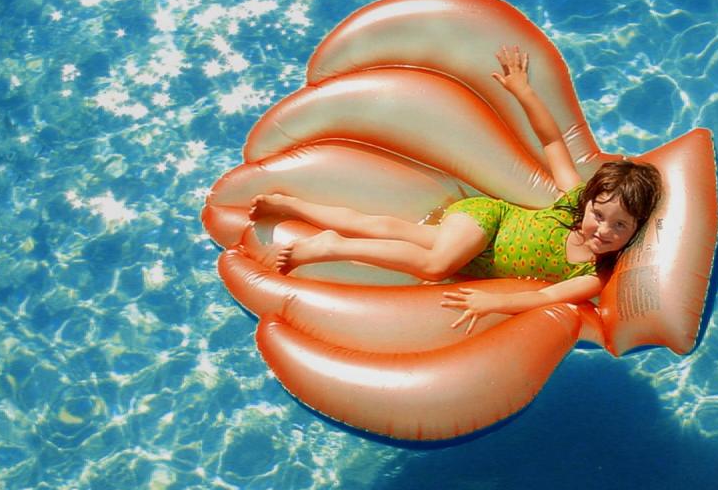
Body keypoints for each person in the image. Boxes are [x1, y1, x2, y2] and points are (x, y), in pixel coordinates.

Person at [249, 45, 662, 333]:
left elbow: (547, 296)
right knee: (434, 266)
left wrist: (494, 302)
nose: (602, 230)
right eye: (600, 214)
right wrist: (524, 91)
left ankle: (292, 205)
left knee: (385, 227)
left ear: (636, 231)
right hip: (486, 220)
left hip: (476, 255)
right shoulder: (572, 200)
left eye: (620, 226)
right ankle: (331, 246)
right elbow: (554, 142)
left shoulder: (590, 275)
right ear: (588, 202)